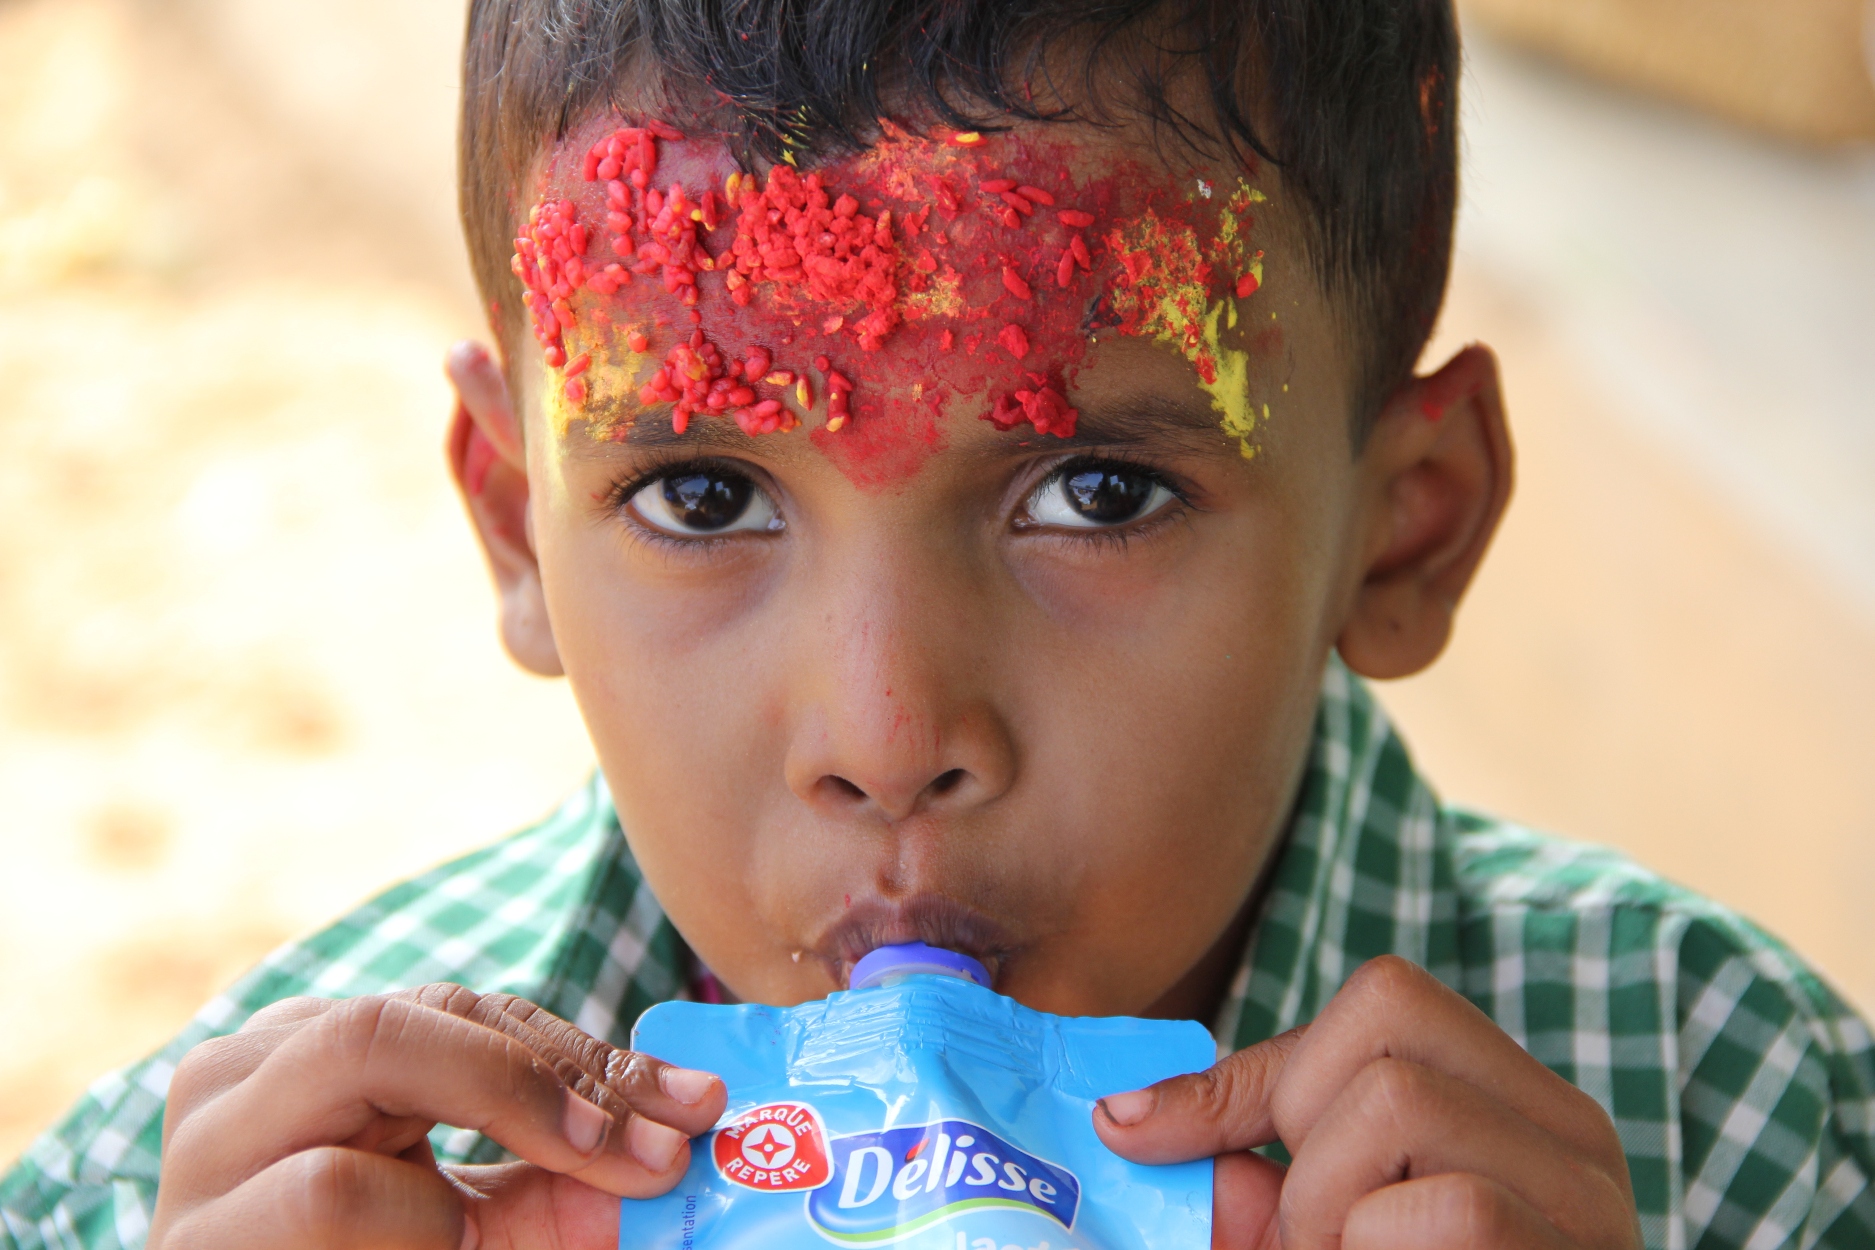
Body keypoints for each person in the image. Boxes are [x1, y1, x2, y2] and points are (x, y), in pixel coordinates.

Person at [5, 0, 1873, 1247]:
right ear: (513, 516)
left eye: (1101, 492)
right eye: (706, 494)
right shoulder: (252, 1188)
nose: (889, 730)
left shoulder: (1728, 1125)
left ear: (1407, 530)